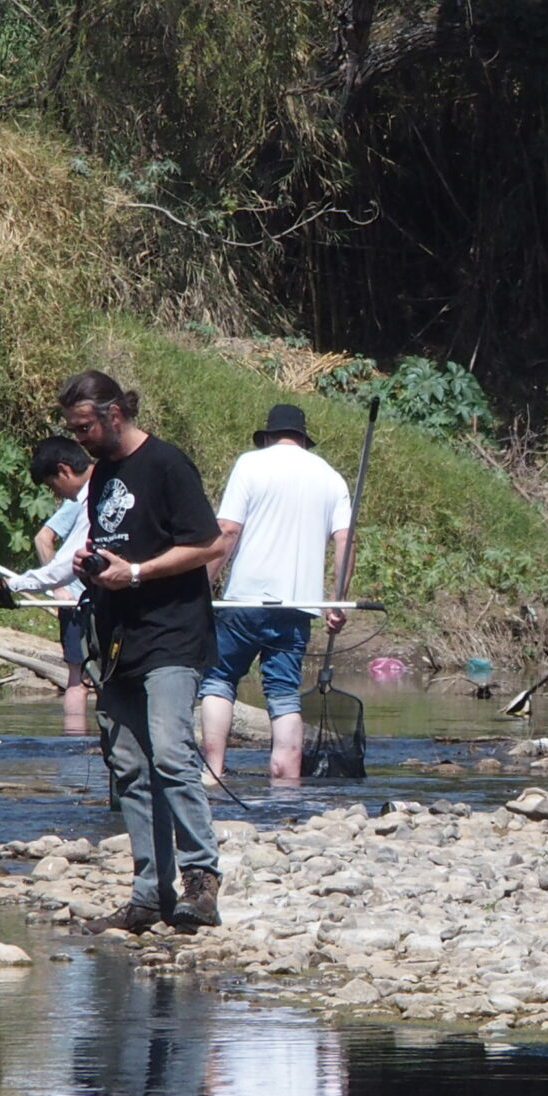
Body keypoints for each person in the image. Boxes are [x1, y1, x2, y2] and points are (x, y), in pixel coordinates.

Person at [58, 368, 232, 934]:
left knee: (172, 754)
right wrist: (91, 565)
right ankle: (149, 894)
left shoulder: (167, 464)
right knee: (129, 766)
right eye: (73, 430)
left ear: (113, 414)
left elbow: (209, 543)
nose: (78, 440)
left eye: (84, 428)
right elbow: (110, 543)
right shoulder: (103, 474)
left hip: (172, 633)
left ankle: (201, 882)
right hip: (117, 640)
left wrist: (136, 573)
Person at [199, 401, 356, 784]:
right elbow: (345, 540)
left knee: (219, 680)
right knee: (284, 693)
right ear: (303, 438)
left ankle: (212, 772)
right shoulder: (331, 477)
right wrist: (336, 601)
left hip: (245, 600)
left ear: (268, 436)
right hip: (298, 605)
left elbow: (228, 530)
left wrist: (200, 588)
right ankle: (285, 781)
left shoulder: (250, 464)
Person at [29, 435, 95, 732]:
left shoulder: (96, 488)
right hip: (77, 599)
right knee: (78, 680)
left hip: (102, 597)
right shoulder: (80, 495)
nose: (55, 494)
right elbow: (43, 538)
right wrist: (59, 589)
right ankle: (76, 744)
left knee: (89, 678)